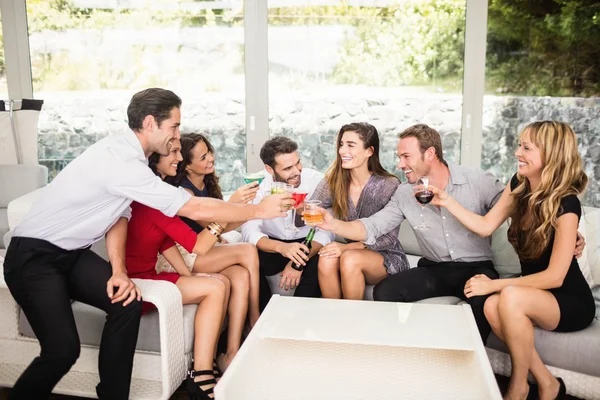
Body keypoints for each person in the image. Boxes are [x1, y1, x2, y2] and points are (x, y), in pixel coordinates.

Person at [2, 88, 292, 400]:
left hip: (72, 255)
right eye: (175, 127)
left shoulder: (132, 161)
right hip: (33, 256)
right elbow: (191, 208)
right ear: (151, 123)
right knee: (62, 350)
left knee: (127, 301)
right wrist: (259, 210)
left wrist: (118, 270)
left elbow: (118, 216)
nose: (177, 136)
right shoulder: (121, 161)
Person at [314, 123, 585, 345]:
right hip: (435, 268)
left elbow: (519, 210)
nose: (400, 164)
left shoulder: (477, 181)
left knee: (483, 302)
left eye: (405, 157)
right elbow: (371, 226)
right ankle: (396, 351)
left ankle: (468, 365)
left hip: (476, 267)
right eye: (398, 157)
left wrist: (567, 234)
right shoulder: (404, 193)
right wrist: (333, 224)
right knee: (386, 291)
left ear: (429, 154)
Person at [426, 121, 595, 400]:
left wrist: (494, 284)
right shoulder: (519, 185)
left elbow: (555, 277)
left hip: (568, 299)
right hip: (532, 293)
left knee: (505, 297)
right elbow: (484, 226)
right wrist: (447, 201)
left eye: (527, 147)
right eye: (519, 145)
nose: (518, 152)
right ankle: (547, 383)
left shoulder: (567, 202)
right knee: (493, 306)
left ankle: (518, 387)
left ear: (551, 154)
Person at [126, 138, 248, 399]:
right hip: (139, 284)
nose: (179, 158)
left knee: (219, 281)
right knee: (215, 287)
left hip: (153, 275)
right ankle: (202, 373)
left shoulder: (158, 194)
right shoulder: (156, 199)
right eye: (172, 153)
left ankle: (209, 365)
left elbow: (165, 243)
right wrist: (231, 211)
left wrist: (189, 275)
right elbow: (199, 246)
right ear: (154, 161)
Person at [161, 133, 261, 337]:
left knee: (240, 276)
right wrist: (232, 205)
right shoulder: (185, 193)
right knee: (248, 250)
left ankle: (232, 350)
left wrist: (254, 209)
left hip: (205, 250)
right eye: (203, 157)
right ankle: (255, 318)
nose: (210, 159)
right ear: (187, 166)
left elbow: (223, 228)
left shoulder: (207, 183)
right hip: (185, 253)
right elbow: (213, 225)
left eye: (209, 153)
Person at [310, 122, 409, 300]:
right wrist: (296, 206)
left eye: (350, 145)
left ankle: (353, 322)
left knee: (350, 258)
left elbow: (389, 239)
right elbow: (310, 209)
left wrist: (346, 247)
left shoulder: (389, 184)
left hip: (385, 254)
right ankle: (333, 317)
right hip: (349, 251)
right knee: (326, 258)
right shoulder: (333, 181)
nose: (342, 151)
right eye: (341, 144)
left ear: (369, 151)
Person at [241, 136, 335, 311]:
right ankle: (263, 320)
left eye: (297, 163)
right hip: (273, 245)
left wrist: (298, 261)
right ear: (269, 169)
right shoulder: (258, 186)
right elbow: (249, 230)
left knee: (320, 263)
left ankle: (298, 322)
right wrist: (281, 248)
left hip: (308, 245)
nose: (297, 171)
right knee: (247, 261)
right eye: (287, 168)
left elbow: (327, 231)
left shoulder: (317, 182)